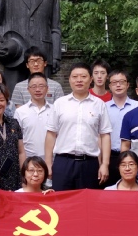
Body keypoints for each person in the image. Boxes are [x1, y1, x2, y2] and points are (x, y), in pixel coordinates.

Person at [45, 62, 113, 190]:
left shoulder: (99, 104)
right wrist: (48, 163)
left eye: (83, 76)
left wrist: (105, 164)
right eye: (75, 77)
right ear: (69, 79)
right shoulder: (60, 103)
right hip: (63, 162)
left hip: (89, 163)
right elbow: (51, 134)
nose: (79, 80)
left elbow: (105, 135)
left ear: (91, 79)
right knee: (61, 200)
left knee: (88, 201)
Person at [104, 69, 138, 187]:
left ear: (128, 84)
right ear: (109, 86)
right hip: (109, 157)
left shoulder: (137, 107)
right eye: (114, 82)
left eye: (122, 82)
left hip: (132, 157)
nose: (118, 85)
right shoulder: (103, 108)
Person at [14, 72, 53, 158]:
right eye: (34, 86)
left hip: (51, 158)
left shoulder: (54, 110)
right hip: (28, 159)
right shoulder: (20, 112)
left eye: (41, 86)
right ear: (28, 89)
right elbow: (17, 138)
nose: (38, 90)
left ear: (47, 89)